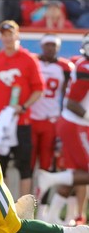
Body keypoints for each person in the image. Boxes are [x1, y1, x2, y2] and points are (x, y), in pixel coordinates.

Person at [0, 20, 44, 198]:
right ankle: (4, 206)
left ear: (17, 35)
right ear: (1, 37)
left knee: (25, 166)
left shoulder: (28, 59)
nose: (7, 38)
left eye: (10, 34)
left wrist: (23, 106)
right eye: (4, 35)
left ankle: (23, 208)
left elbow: (39, 89)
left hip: (22, 121)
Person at [37, 32, 89, 226]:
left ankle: (52, 217)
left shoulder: (78, 62)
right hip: (76, 124)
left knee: (74, 173)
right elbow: (72, 103)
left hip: (75, 124)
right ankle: (50, 179)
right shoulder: (85, 67)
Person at [29, 33, 74, 221]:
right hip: (31, 119)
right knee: (28, 167)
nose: (50, 48)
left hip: (51, 120)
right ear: (41, 46)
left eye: (53, 45)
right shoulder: (33, 62)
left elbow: (68, 94)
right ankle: (24, 207)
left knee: (47, 168)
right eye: (47, 45)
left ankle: (42, 211)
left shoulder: (65, 67)